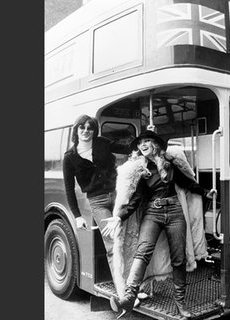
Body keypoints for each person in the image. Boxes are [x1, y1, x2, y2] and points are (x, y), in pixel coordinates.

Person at [102, 129, 214, 319]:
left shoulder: (169, 164)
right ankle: (129, 298)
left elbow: (186, 182)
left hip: (175, 212)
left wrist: (205, 192)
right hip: (152, 213)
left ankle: (180, 304)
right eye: (140, 143)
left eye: (146, 141)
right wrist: (119, 216)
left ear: (155, 144)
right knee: (143, 251)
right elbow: (135, 199)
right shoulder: (140, 170)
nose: (142, 145)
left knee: (178, 258)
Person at [62, 114, 130, 281]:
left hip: (118, 195)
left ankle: (134, 284)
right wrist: (77, 216)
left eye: (90, 128)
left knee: (128, 239)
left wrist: (147, 136)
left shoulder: (103, 143)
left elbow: (127, 148)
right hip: (98, 202)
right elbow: (69, 189)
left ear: (94, 131)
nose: (86, 131)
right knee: (112, 244)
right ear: (76, 130)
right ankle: (123, 291)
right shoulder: (69, 157)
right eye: (82, 127)